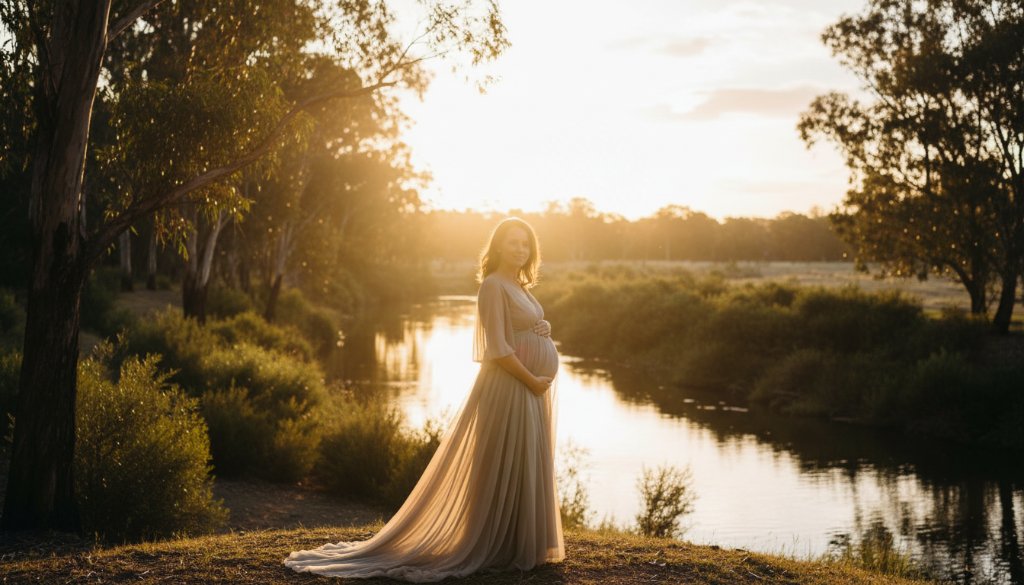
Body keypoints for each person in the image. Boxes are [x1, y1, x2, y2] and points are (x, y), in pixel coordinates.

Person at [283, 217, 564, 582]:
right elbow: (497, 348)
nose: (520, 249)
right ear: (497, 246)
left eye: (526, 244)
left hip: (527, 388)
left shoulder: (518, 285)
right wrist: (532, 380)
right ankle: (496, 543)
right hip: (510, 387)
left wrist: (543, 328)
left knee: (523, 460)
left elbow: (521, 328)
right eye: (513, 242)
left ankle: (517, 543)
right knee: (504, 462)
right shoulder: (493, 286)